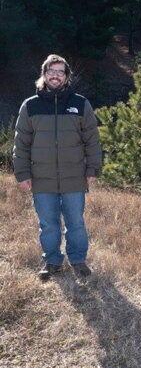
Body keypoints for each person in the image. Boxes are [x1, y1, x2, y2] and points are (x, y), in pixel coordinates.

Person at [13, 54, 102, 281]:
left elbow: (92, 139)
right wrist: (22, 173)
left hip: (74, 176)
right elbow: (21, 142)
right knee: (48, 225)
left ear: (67, 76)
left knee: (76, 222)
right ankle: (52, 262)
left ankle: (78, 260)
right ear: (44, 75)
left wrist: (93, 168)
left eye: (60, 72)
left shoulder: (80, 104)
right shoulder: (30, 106)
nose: (55, 75)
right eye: (51, 71)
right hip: (41, 178)